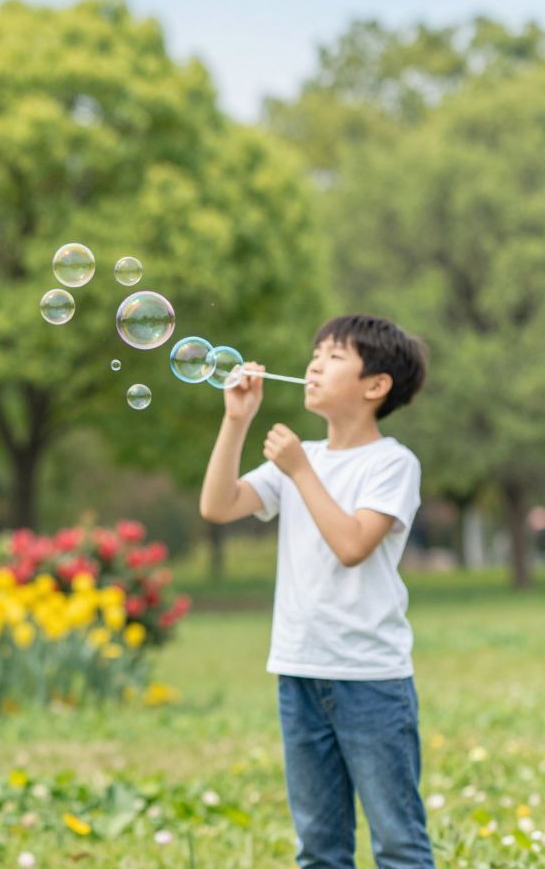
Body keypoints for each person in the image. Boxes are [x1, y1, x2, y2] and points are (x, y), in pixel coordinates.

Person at [200, 314, 433, 868]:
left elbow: (352, 544)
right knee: (319, 845)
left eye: (333, 356)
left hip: (371, 680)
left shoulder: (392, 463)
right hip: (300, 671)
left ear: (376, 386)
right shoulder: (299, 460)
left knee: (398, 840)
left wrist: (302, 471)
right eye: (315, 353)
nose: (313, 364)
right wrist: (237, 421)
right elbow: (218, 505)